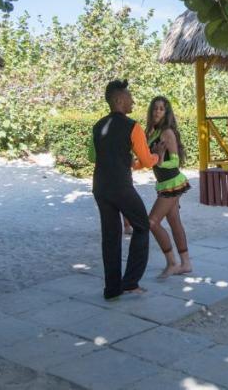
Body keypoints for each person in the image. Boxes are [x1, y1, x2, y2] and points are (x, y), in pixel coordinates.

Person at [90, 80, 158, 300]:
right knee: (142, 226)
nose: (133, 101)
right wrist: (159, 154)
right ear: (119, 100)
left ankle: (112, 289)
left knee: (110, 236)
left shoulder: (98, 126)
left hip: (100, 186)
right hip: (121, 186)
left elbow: (96, 157)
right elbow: (147, 161)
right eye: (130, 97)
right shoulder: (133, 126)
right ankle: (130, 282)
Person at [144, 96, 191, 279]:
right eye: (155, 108)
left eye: (161, 109)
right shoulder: (153, 132)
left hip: (172, 182)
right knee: (174, 222)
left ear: (166, 112)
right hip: (164, 184)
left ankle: (172, 262)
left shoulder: (167, 133)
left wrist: (161, 161)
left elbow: (175, 162)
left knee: (152, 222)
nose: (157, 111)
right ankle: (186, 263)